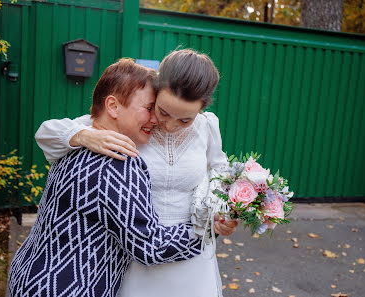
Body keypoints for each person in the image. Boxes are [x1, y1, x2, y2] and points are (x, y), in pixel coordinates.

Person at [35, 49, 237, 297]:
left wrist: (218, 212)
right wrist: (83, 135)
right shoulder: (132, 123)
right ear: (156, 92)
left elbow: (219, 170)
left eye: (185, 120)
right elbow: (46, 133)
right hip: (138, 250)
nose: (170, 125)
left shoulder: (207, 127)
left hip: (192, 253)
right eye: (162, 111)